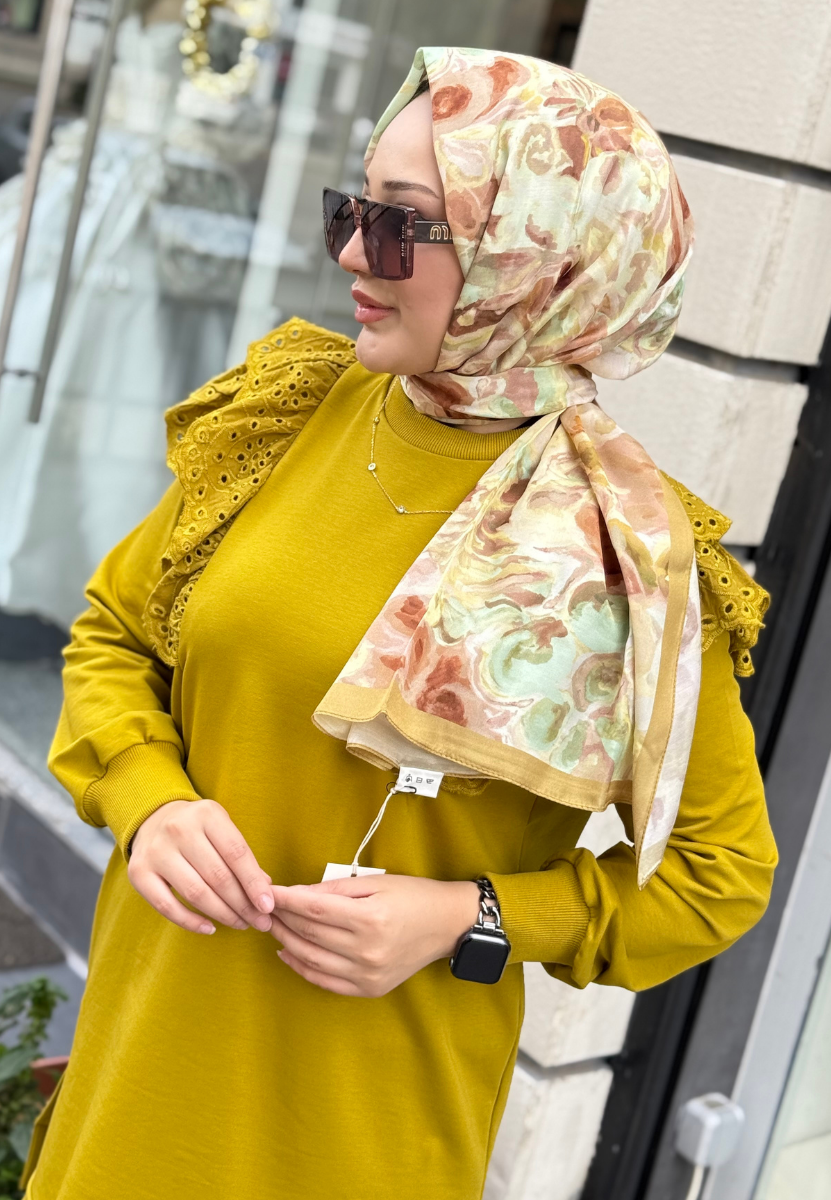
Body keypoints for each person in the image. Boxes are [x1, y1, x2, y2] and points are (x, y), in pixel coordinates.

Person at [24, 47, 776, 1200]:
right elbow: (117, 632)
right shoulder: (292, 415)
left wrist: (475, 917)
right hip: (144, 1072)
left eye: (404, 224)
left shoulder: (628, 553)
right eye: (356, 205)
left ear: (539, 257)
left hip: (364, 1138)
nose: (351, 253)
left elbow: (719, 874)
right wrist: (148, 797)